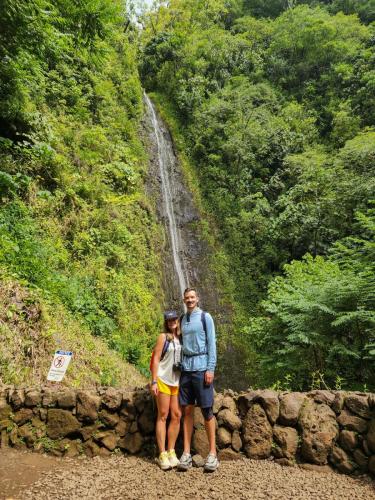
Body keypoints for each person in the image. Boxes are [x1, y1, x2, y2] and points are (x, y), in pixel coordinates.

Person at [178, 287, 219, 472]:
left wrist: (210, 368)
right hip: (186, 370)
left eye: (192, 297)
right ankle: (186, 453)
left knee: (207, 411)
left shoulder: (205, 317)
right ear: (184, 300)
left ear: (198, 298)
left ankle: (212, 454)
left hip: (202, 369)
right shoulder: (182, 319)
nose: (190, 300)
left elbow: (212, 343)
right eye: (187, 298)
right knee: (186, 411)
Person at [150, 310, 182, 470]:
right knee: (163, 415)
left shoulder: (181, 338)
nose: (172, 322)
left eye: (174, 319)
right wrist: (154, 381)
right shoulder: (163, 337)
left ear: (178, 320)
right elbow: (156, 358)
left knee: (176, 415)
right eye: (169, 320)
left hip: (177, 381)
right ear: (166, 322)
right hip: (163, 379)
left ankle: (171, 451)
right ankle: (162, 454)